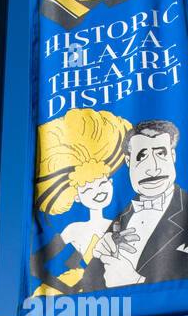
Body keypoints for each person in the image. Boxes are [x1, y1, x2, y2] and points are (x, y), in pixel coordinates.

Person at [81, 120, 188, 289]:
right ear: (128, 161)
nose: (153, 169)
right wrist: (99, 257)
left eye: (161, 154)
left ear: (173, 156)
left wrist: (138, 283)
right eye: (142, 156)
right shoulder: (121, 217)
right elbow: (87, 287)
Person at [29, 108, 129, 293]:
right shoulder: (74, 229)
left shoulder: (119, 226)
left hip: (117, 297)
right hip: (80, 302)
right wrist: (65, 288)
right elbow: (37, 263)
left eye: (101, 183)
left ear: (111, 183)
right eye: (88, 188)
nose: (97, 191)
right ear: (77, 196)